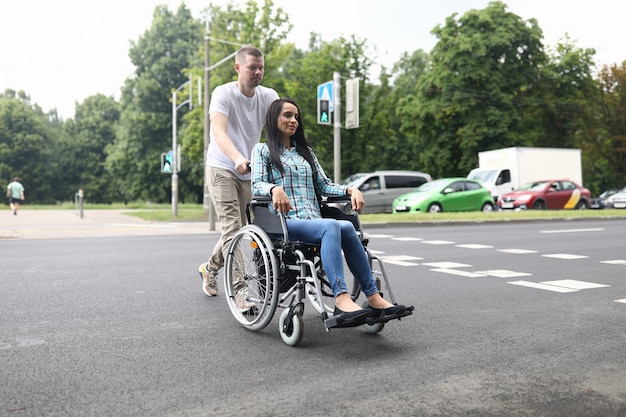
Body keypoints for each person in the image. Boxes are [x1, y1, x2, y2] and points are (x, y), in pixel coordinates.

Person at [250, 98, 413, 327]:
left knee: (346, 225)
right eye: (287, 115)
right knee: (332, 225)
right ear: (273, 118)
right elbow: (256, 184)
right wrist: (274, 188)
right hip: (284, 223)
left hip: (314, 221)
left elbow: (325, 186)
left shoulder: (306, 153)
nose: (293, 120)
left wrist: (350, 189)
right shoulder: (263, 150)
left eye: (296, 116)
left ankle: (373, 296)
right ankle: (341, 298)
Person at [198, 46, 279, 311]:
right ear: (238, 68)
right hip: (223, 166)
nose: (258, 72)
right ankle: (241, 290)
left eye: (261, 68)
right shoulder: (223, 93)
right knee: (233, 229)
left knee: (241, 229)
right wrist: (236, 158)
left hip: (248, 171)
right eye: (252, 67)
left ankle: (209, 268)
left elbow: (278, 133)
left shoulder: (268, 96)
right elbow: (219, 133)